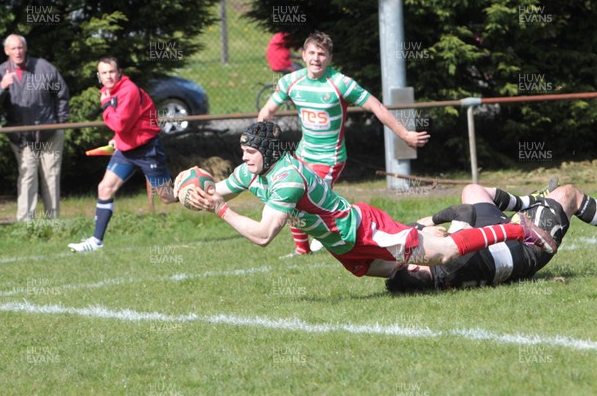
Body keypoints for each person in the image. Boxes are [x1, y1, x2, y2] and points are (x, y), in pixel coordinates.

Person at [182, 121, 555, 279]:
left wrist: (220, 210)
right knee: (402, 274)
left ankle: (515, 228)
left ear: (266, 151)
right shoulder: (252, 171)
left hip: (363, 229)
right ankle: (441, 224)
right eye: (243, 151)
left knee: (441, 256)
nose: (244, 158)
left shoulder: (287, 181)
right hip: (342, 247)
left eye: (249, 151)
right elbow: (217, 190)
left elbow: (264, 235)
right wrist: (187, 190)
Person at [258, 31, 431, 257]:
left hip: (330, 159)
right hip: (303, 155)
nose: (316, 58)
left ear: (330, 58)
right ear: (303, 54)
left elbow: (377, 107)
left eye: (321, 54)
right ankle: (303, 250)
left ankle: (358, 238)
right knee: (289, 195)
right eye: (311, 53)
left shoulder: (341, 83)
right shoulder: (291, 81)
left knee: (301, 199)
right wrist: (261, 138)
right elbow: (268, 111)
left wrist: (405, 135)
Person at [385, 181, 597, 292]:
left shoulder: (440, 276)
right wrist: (428, 225)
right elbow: (464, 212)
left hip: (490, 239)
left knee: (473, 189)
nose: (410, 254)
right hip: (526, 243)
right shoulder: (449, 258)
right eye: (407, 260)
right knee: (569, 194)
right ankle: (537, 204)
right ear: (413, 267)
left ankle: (530, 201)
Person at [67, 57, 176, 253]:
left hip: (147, 150)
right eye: (103, 73)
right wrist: (117, 138)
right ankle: (96, 242)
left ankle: (200, 192)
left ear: (119, 73)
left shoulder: (128, 91)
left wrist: (107, 106)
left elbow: (120, 123)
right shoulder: (109, 91)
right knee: (105, 188)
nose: (108, 76)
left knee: (167, 197)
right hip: (127, 150)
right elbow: (125, 124)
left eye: (111, 71)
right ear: (98, 76)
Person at [0, 34, 69, 221]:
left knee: (51, 177)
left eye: (20, 47)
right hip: (22, 137)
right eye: (13, 48)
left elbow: (61, 93)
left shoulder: (43, 67)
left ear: (25, 48)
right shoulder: (0, 72)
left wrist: (60, 122)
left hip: (49, 134)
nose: (18, 52)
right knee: (28, 175)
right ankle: (26, 224)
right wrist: (1, 87)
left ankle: (52, 222)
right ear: (6, 51)